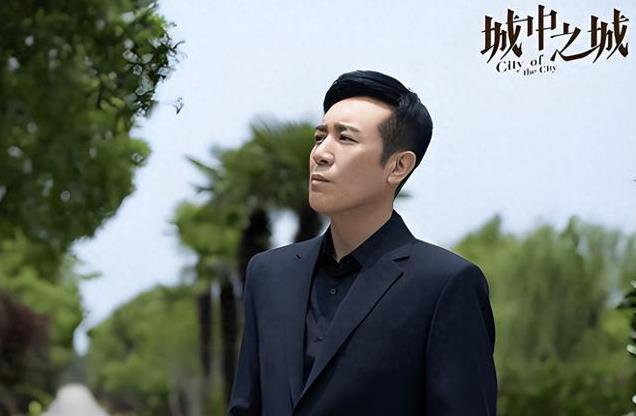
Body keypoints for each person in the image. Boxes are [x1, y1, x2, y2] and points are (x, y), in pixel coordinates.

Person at [227, 70, 497, 416]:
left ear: (398, 166)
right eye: (319, 137)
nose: (321, 153)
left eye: (345, 139)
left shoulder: (446, 284)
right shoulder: (269, 274)